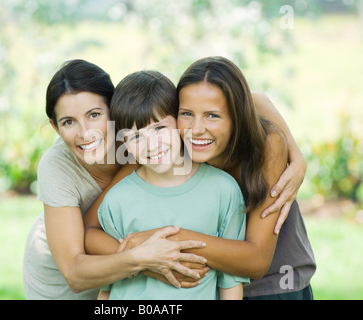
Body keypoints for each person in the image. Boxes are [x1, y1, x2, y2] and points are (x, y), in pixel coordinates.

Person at [84, 56, 316, 300]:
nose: (196, 129)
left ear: (237, 117)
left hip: (274, 284)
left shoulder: (266, 144)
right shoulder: (157, 150)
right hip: (204, 286)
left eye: (212, 116)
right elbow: (91, 230)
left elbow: (257, 262)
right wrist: (147, 258)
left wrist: (168, 238)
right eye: (186, 114)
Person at [22, 59, 209, 300]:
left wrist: (275, 131)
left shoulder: (145, 137)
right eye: (68, 122)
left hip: (127, 286)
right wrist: (147, 259)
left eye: (94, 115)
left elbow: (233, 98)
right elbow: (74, 274)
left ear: (115, 108)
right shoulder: (56, 166)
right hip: (63, 285)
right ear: (55, 128)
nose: (85, 132)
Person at [96, 70, 249, 300]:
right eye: (136, 137)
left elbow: (231, 281)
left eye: (159, 128)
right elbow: (108, 285)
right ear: (123, 142)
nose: (151, 145)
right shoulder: (116, 201)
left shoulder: (223, 191)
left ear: (179, 122)